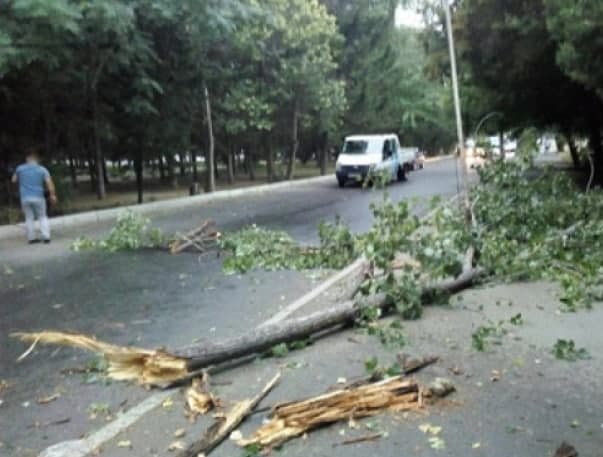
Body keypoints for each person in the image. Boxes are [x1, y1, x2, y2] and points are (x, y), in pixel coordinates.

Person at [11, 150, 58, 244]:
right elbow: (49, 183)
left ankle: (32, 239)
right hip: (38, 197)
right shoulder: (42, 169)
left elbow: (13, 180)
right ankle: (46, 237)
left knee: (29, 218)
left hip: (25, 198)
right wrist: (52, 195)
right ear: (36, 159)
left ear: (28, 159)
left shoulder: (20, 168)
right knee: (42, 217)